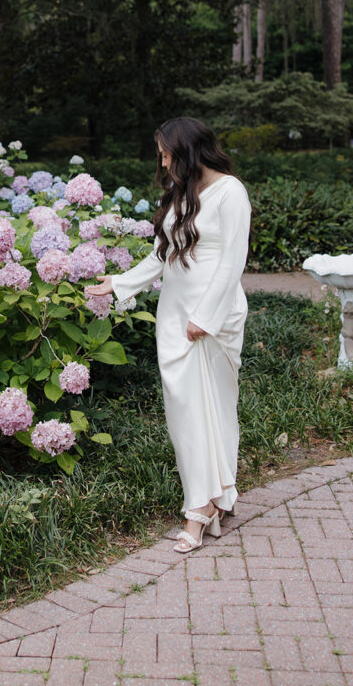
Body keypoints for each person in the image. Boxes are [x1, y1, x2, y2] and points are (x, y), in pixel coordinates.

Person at [86, 116, 251, 553]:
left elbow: (234, 260)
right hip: (175, 316)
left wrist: (207, 316)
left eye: (165, 152)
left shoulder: (231, 192)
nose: (161, 160)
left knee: (210, 408)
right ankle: (214, 497)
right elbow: (164, 255)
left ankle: (199, 508)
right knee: (183, 412)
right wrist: (119, 284)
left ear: (188, 150)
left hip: (212, 320)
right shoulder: (183, 194)